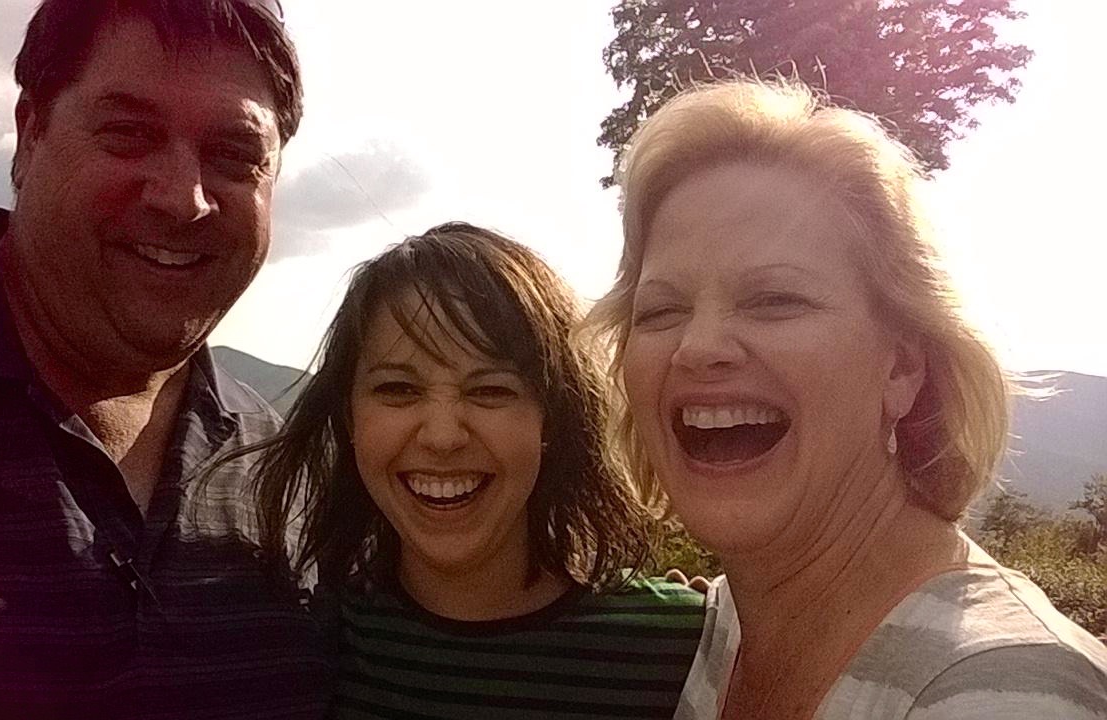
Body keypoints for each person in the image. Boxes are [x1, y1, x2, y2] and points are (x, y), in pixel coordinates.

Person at [0, 1, 332, 717]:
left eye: (233, 156)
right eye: (129, 133)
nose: (182, 199)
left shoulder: (286, 470)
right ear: (29, 134)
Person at [585, 79, 1107, 719]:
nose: (698, 347)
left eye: (776, 300)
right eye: (661, 309)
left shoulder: (1005, 693)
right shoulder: (724, 631)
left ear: (903, 366)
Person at [242, 222, 706, 718]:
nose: (443, 436)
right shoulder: (307, 647)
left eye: (490, 390)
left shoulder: (685, 655)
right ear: (349, 417)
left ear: (551, 419)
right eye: (398, 389)